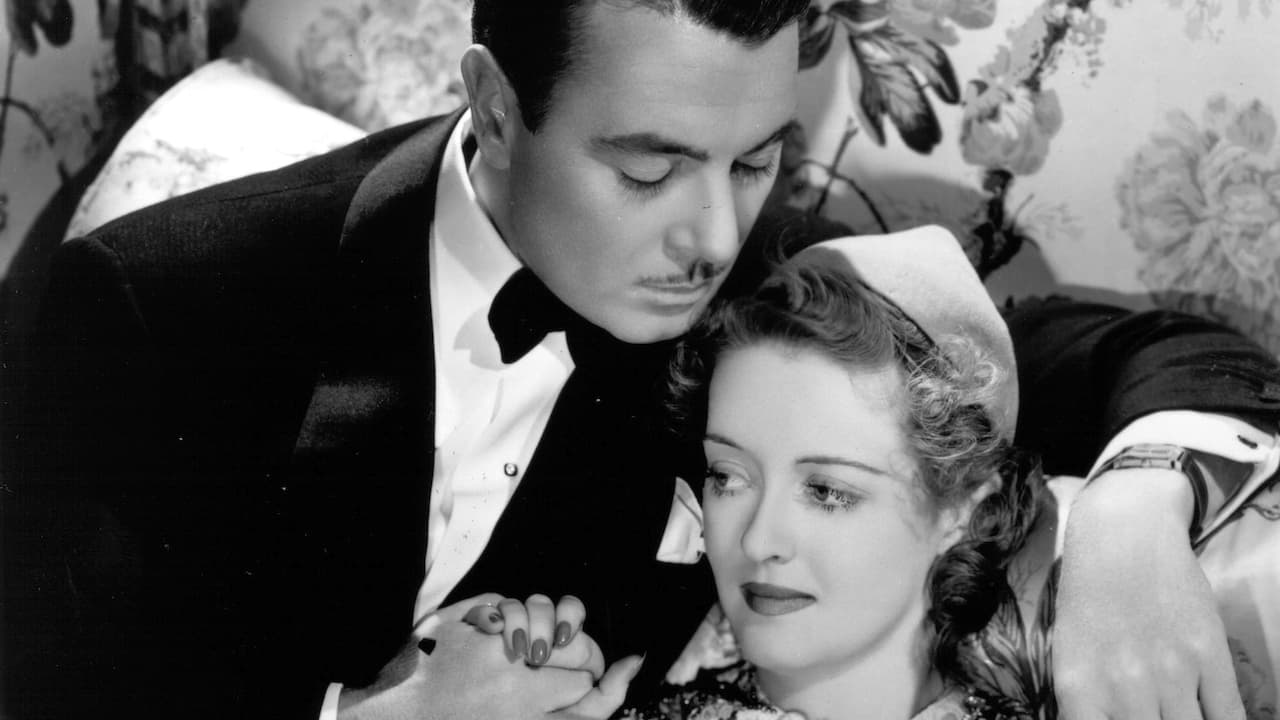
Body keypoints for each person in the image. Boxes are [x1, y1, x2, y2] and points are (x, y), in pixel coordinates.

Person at [3, 2, 1278, 719]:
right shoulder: (162, 306)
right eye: (648, 170)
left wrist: (1133, 521)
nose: (712, 235)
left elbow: (1143, 355)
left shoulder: (766, 282)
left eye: (755, 160)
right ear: (495, 109)